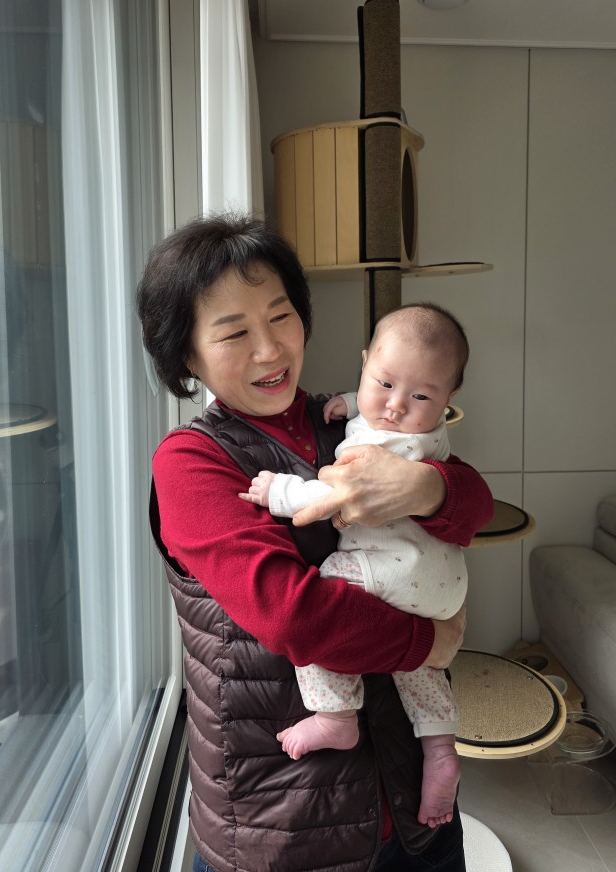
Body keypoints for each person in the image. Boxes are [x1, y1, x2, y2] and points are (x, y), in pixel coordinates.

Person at [136, 214, 494, 872]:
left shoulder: (350, 418)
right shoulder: (190, 462)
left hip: (411, 803)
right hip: (288, 824)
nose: (269, 350)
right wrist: (428, 642)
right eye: (235, 332)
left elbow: (476, 506)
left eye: (281, 317)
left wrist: (425, 489)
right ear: (186, 354)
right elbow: (291, 614)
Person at [239, 303, 469, 828]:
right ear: (365, 365)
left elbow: (334, 496)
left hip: (392, 567)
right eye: (383, 383)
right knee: (421, 666)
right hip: (442, 581)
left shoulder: (388, 441)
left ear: (449, 397)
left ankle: (335, 714)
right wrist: (350, 400)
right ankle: (440, 746)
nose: (395, 406)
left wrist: (280, 491)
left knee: (325, 588)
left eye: (421, 397)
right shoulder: (426, 431)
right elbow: (388, 406)